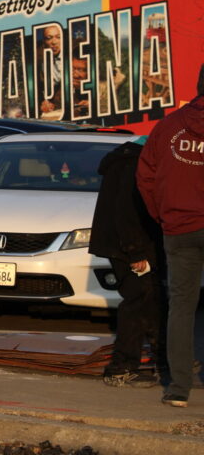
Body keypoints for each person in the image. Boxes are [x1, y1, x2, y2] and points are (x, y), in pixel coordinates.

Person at [137, 64, 204, 408]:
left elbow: (145, 174)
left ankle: (178, 388)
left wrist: (162, 213)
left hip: (179, 228)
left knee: (181, 307)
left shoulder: (169, 126)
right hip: (182, 224)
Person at [89, 136, 163, 388]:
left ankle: (161, 358)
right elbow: (128, 211)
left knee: (149, 299)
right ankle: (121, 366)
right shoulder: (135, 164)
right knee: (139, 301)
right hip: (130, 245)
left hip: (122, 243)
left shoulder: (125, 159)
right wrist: (136, 252)